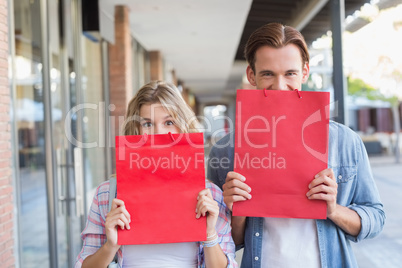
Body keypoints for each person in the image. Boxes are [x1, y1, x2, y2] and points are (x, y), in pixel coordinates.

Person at [207, 22, 385, 268]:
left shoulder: (345, 141)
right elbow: (226, 244)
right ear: (251, 75)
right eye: (268, 73)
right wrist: (236, 213)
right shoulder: (225, 150)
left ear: (305, 72)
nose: (280, 87)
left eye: (290, 73)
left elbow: (376, 218)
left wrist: (333, 209)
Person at [75, 81, 238, 267]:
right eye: (147, 124)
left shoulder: (210, 196)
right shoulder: (107, 194)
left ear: (183, 128)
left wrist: (209, 234)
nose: (158, 133)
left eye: (169, 122)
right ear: (135, 131)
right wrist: (111, 245)